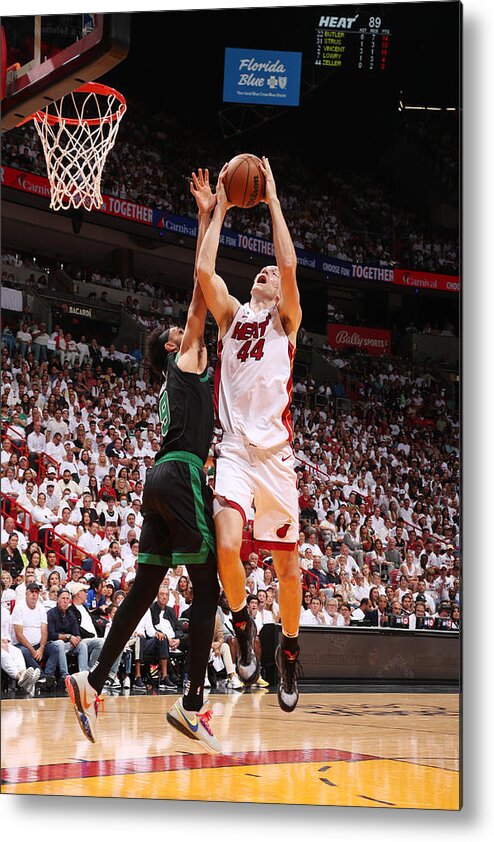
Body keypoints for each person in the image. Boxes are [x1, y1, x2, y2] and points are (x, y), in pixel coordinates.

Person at [66, 168, 222, 754]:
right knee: (205, 589)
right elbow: (199, 290)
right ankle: (192, 702)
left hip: (156, 477)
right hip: (181, 471)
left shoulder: (172, 381)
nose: (188, 331)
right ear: (173, 346)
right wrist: (209, 215)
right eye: (180, 333)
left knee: (147, 581)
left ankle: (93, 679)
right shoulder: (186, 359)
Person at [196, 157, 302, 713]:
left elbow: (287, 263)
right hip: (235, 450)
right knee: (228, 548)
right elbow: (204, 275)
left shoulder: (287, 319)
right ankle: (241, 625)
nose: (265, 272)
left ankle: (287, 649)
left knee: (289, 570)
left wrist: (273, 201)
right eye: (257, 271)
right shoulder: (233, 315)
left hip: (276, 458)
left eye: (270, 275)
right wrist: (216, 208)